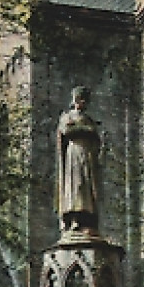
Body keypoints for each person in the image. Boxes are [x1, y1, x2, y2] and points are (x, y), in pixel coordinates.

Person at [56, 86, 101, 233]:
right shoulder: (67, 116)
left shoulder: (88, 119)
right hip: (74, 153)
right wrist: (85, 130)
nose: (83, 103)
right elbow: (67, 130)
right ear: (75, 100)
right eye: (80, 100)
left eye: (85, 101)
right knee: (76, 186)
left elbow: (95, 135)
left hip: (87, 154)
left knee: (88, 187)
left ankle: (88, 220)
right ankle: (74, 219)